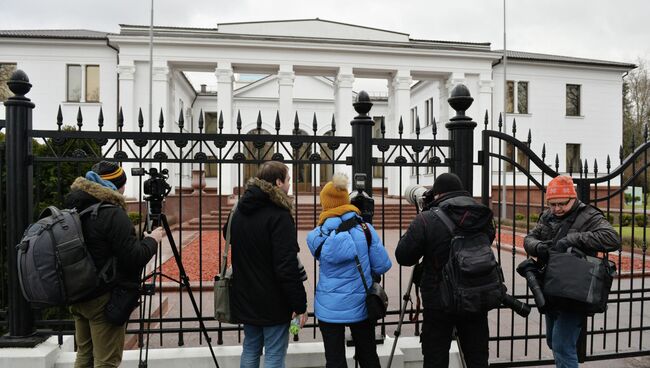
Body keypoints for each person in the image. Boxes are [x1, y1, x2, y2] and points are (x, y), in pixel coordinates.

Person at [64, 161, 164, 368]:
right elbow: (133, 259)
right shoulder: (111, 213)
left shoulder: (75, 206)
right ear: (117, 185)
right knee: (106, 362)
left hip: (78, 292)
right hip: (102, 297)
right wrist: (152, 240)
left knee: (84, 355)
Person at [395, 173, 495, 368]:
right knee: (477, 357)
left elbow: (404, 256)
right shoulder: (482, 214)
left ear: (437, 194)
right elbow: (486, 242)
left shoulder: (427, 219)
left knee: (435, 356)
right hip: (476, 295)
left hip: (439, 300)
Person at [524, 175, 619, 368]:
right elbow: (529, 238)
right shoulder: (547, 216)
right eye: (552, 204)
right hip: (551, 287)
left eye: (562, 204)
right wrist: (539, 246)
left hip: (576, 289)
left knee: (562, 345)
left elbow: (612, 238)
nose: (557, 209)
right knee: (553, 341)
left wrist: (573, 239)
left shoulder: (589, 215)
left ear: (573, 198)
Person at [307, 173, 392, 368]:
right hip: (361, 304)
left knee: (335, 361)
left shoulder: (316, 236)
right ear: (347, 200)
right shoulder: (366, 229)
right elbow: (383, 265)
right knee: (368, 356)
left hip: (328, 307)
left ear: (325, 204)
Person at [228, 161, 308, 368]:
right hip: (273, 301)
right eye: (288, 179)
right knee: (274, 354)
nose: (290, 184)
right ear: (278, 182)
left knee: (251, 348)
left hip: (245, 295)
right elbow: (286, 266)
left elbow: (229, 238)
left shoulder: (239, 211)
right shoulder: (279, 216)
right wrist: (300, 305)